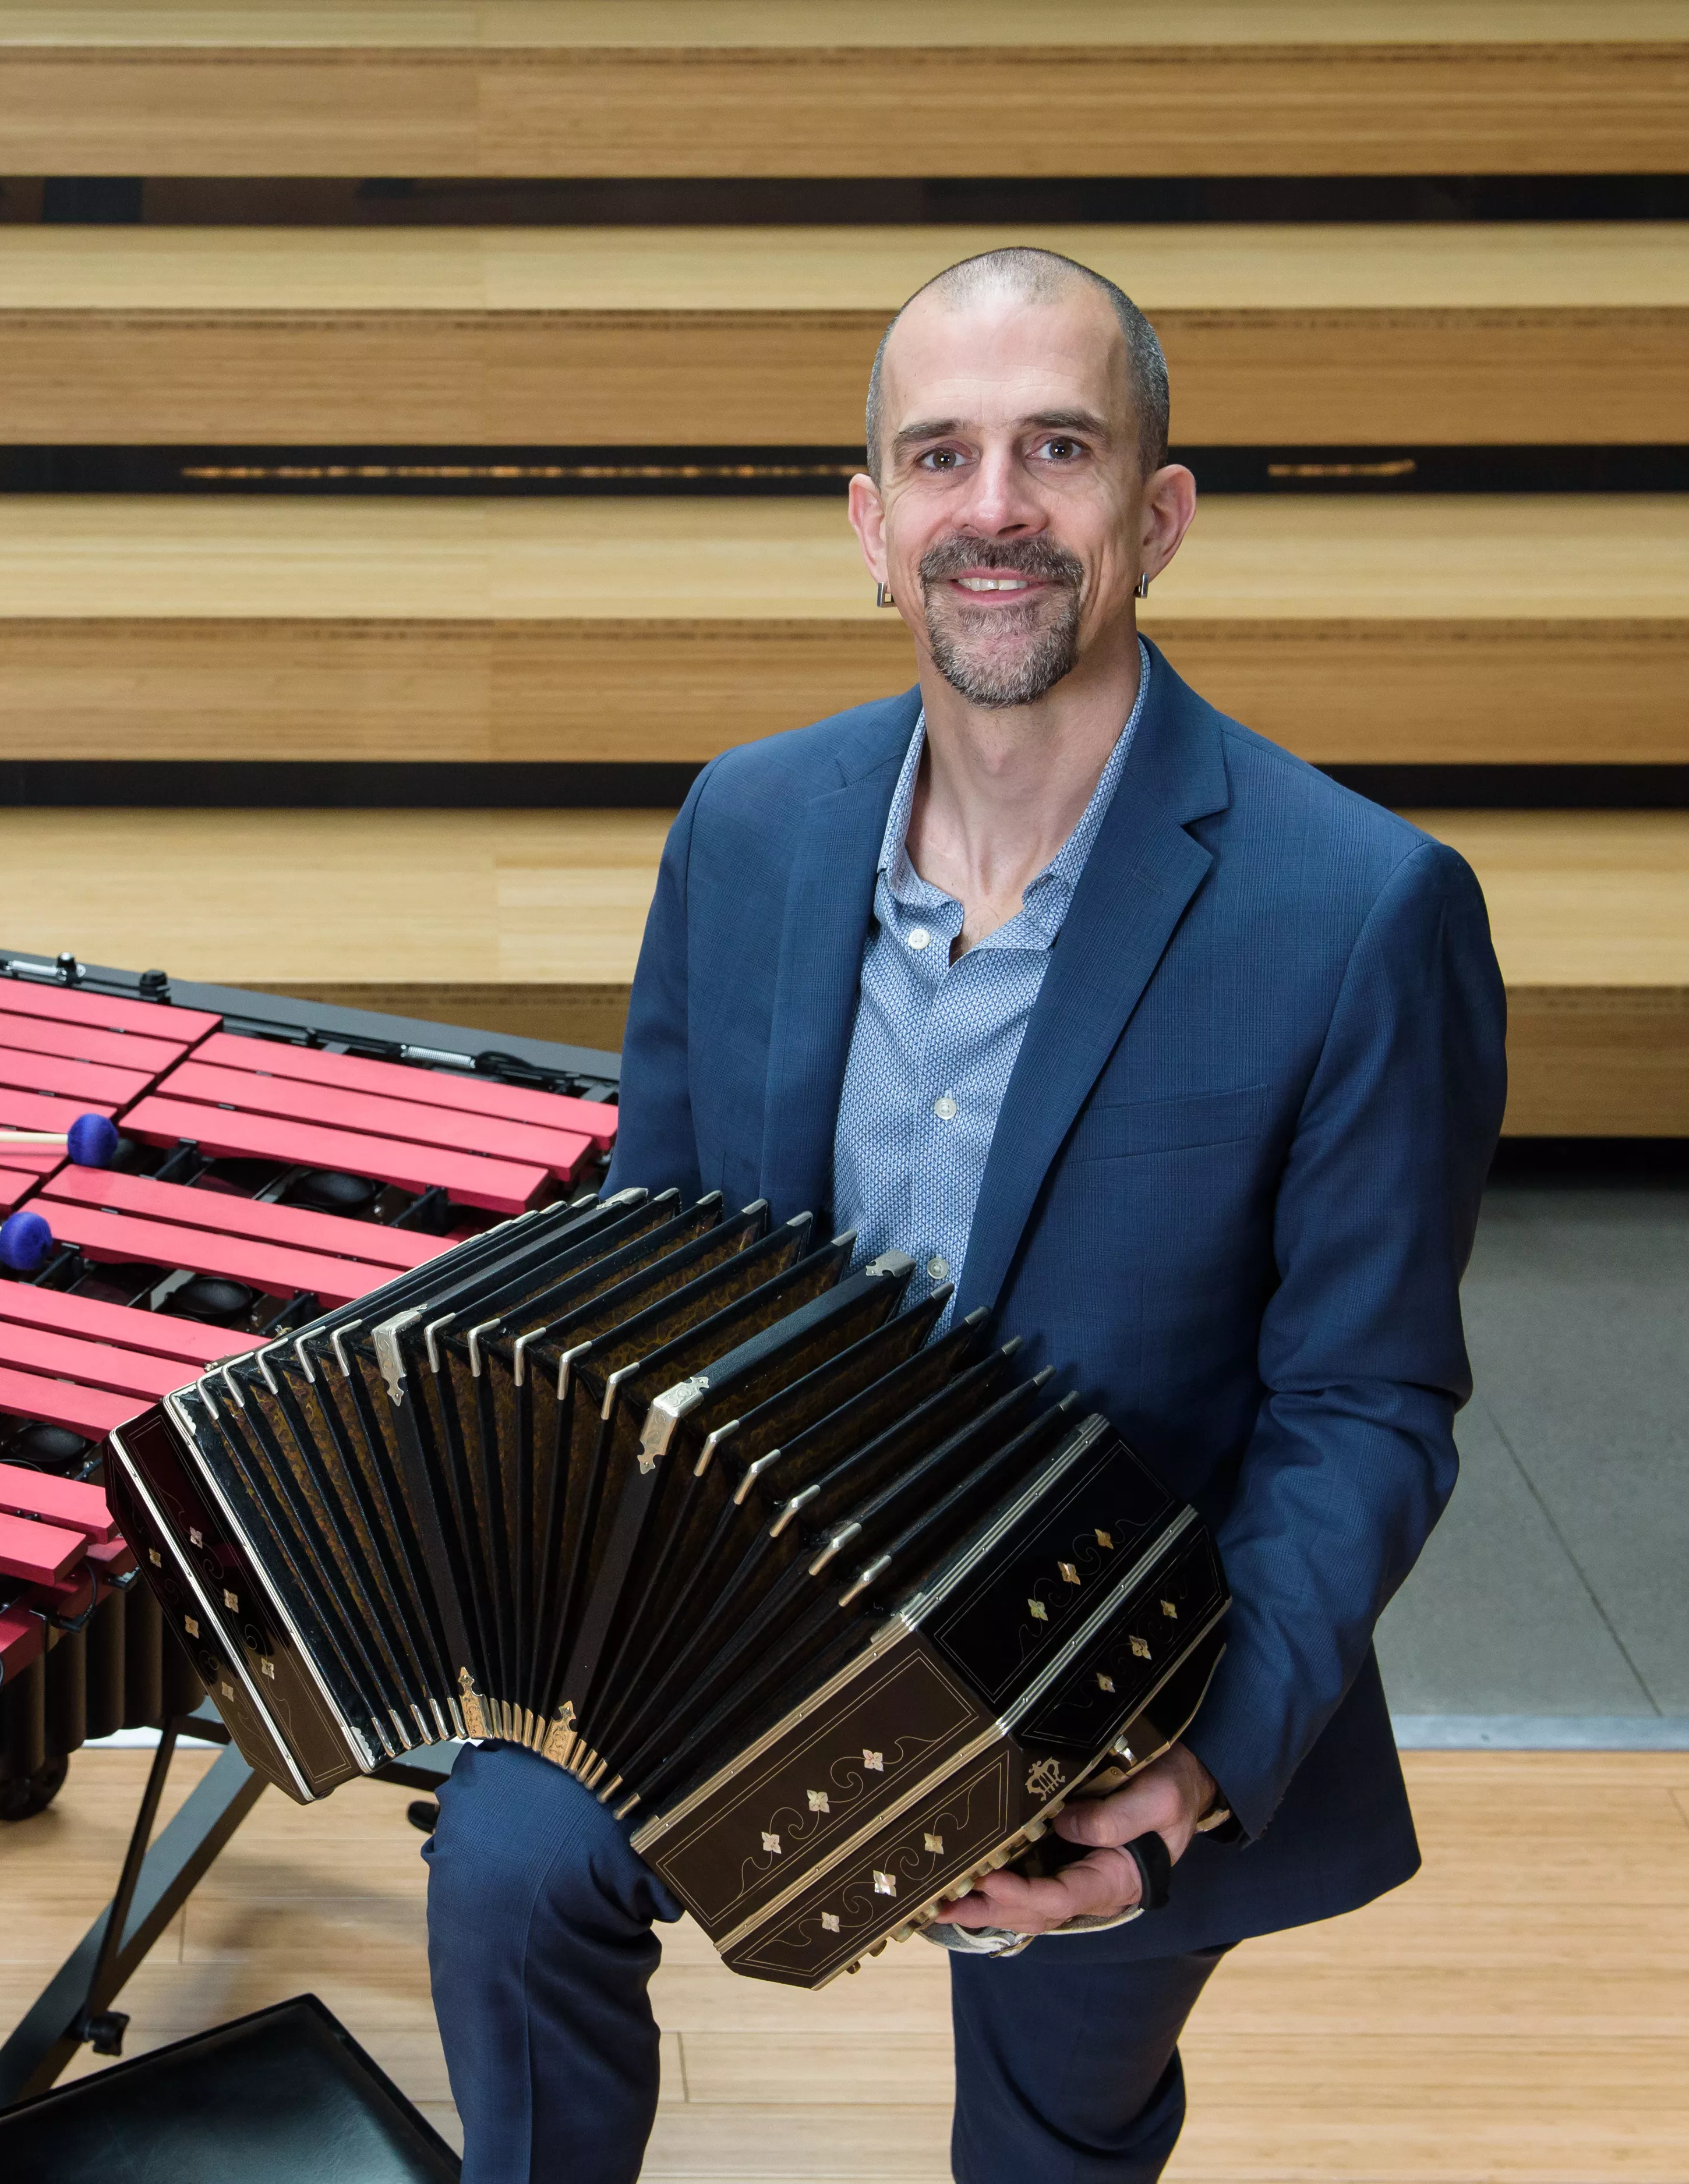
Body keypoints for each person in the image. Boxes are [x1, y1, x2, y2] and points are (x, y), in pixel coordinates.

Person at [420, 247, 1508, 2183]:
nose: (992, 508)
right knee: (508, 1860)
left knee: (1046, 2124)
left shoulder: (1362, 910)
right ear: (871, 522)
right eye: (941, 456)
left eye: (1057, 449)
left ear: (1156, 514)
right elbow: (654, 1270)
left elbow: (1367, 1406)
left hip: (1112, 1682)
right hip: (736, 1622)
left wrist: (1188, 1776)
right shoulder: (745, 827)